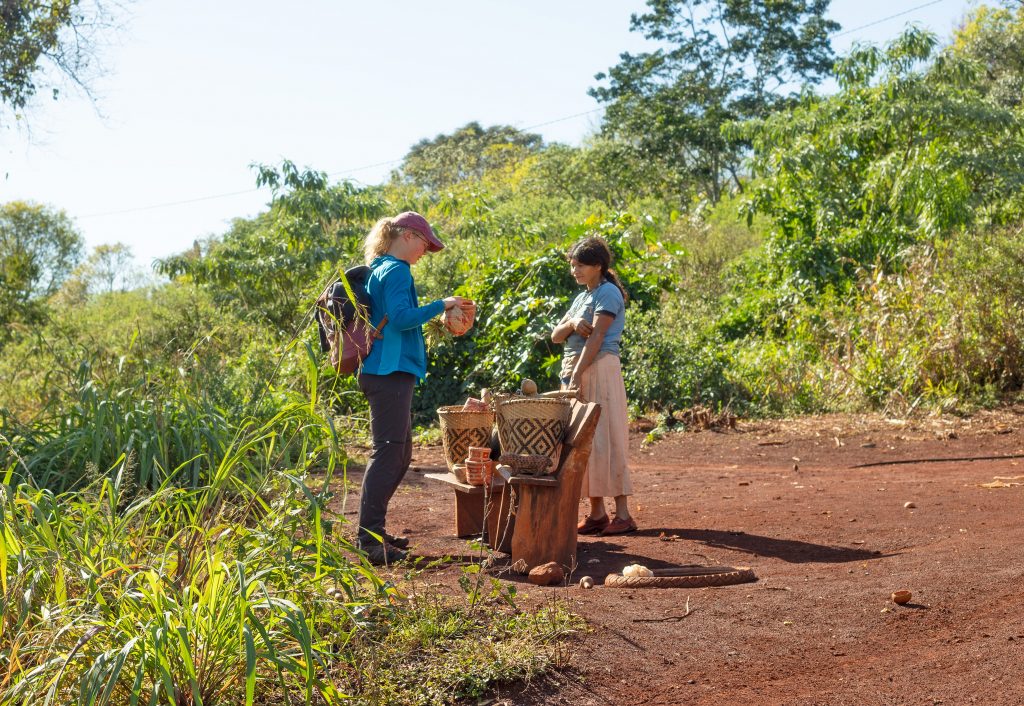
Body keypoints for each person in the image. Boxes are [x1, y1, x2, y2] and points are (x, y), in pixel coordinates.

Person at [357, 211, 474, 565]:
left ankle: (374, 532)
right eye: (424, 243)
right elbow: (403, 318)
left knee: (401, 454)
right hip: (388, 372)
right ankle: (368, 541)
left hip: (387, 372)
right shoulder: (396, 270)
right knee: (388, 454)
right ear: (407, 236)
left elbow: (398, 316)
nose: (425, 251)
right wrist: (443, 305)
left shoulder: (382, 267)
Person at [550, 236, 635, 536]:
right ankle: (597, 512)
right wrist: (573, 324)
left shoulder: (608, 293)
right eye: (573, 266)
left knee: (607, 438)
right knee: (583, 442)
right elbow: (556, 336)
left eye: (581, 265)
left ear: (598, 265)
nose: (575, 271)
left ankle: (622, 514)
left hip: (598, 369)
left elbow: (597, 338)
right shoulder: (581, 298)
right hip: (577, 370)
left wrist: (577, 374)